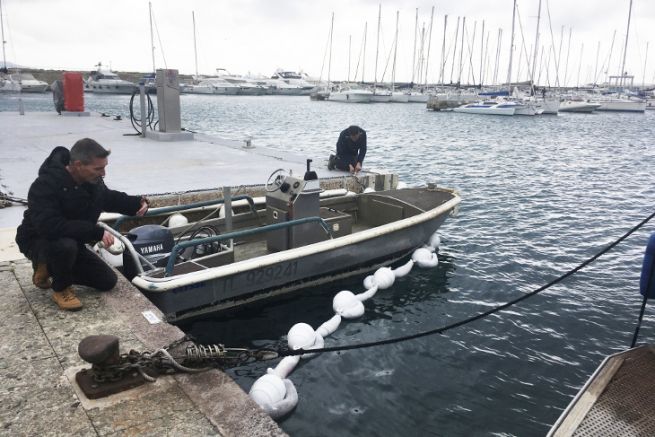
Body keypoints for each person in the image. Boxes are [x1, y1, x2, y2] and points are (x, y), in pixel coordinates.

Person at [15, 138, 149, 311]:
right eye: (98, 168)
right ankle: (61, 288)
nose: (103, 174)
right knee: (65, 246)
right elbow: (50, 227)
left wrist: (138, 203)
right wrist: (95, 232)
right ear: (78, 165)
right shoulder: (44, 185)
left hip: (72, 240)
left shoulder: (93, 183)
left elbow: (110, 198)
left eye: (104, 167)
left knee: (107, 281)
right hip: (38, 240)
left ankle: (48, 267)